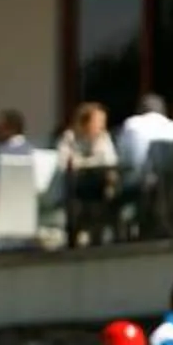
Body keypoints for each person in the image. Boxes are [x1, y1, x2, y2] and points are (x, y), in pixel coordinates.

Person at [56, 102, 122, 245]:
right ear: (85, 123)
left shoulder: (103, 138)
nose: (102, 126)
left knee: (110, 186)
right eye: (98, 122)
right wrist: (89, 162)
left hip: (99, 186)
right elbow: (64, 163)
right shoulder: (70, 138)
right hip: (77, 186)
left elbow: (110, 160)